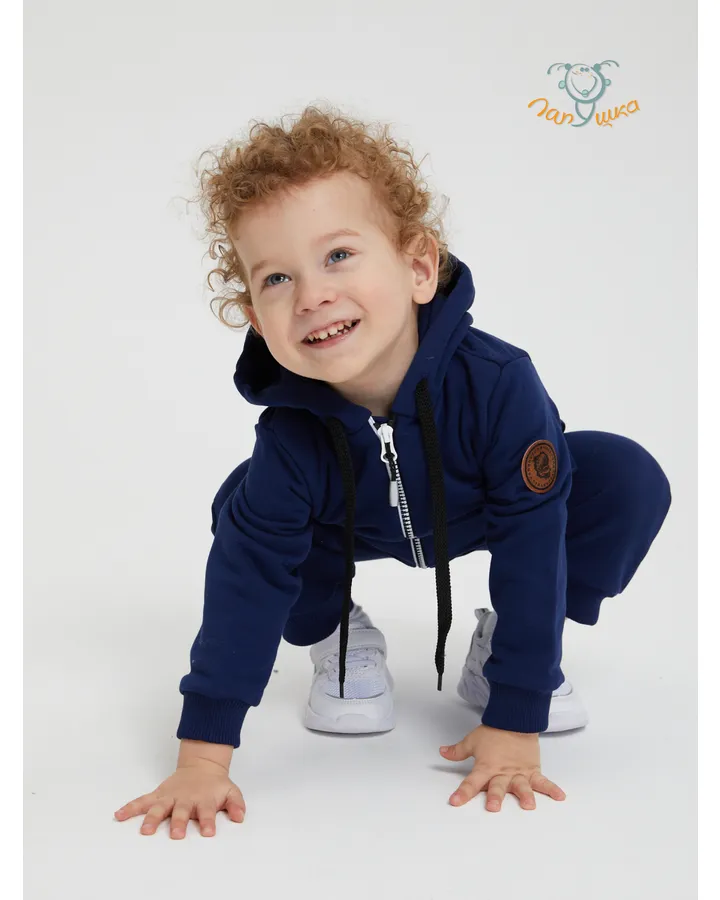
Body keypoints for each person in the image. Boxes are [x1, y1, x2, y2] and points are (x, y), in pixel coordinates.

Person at [114, 105, 672, 839]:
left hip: (482, 509)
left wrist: (516, 715)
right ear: (255, 317)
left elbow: (533, 541)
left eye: (338, 255)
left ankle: (504, 652)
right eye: (277, 277)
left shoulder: (500, 384)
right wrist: (202, 758)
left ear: (418, 268)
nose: (312, 294)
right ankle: (338, 636)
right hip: (352, 526)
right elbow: (248, 582)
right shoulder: (291, 434)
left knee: (623, 475)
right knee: (242, 510)